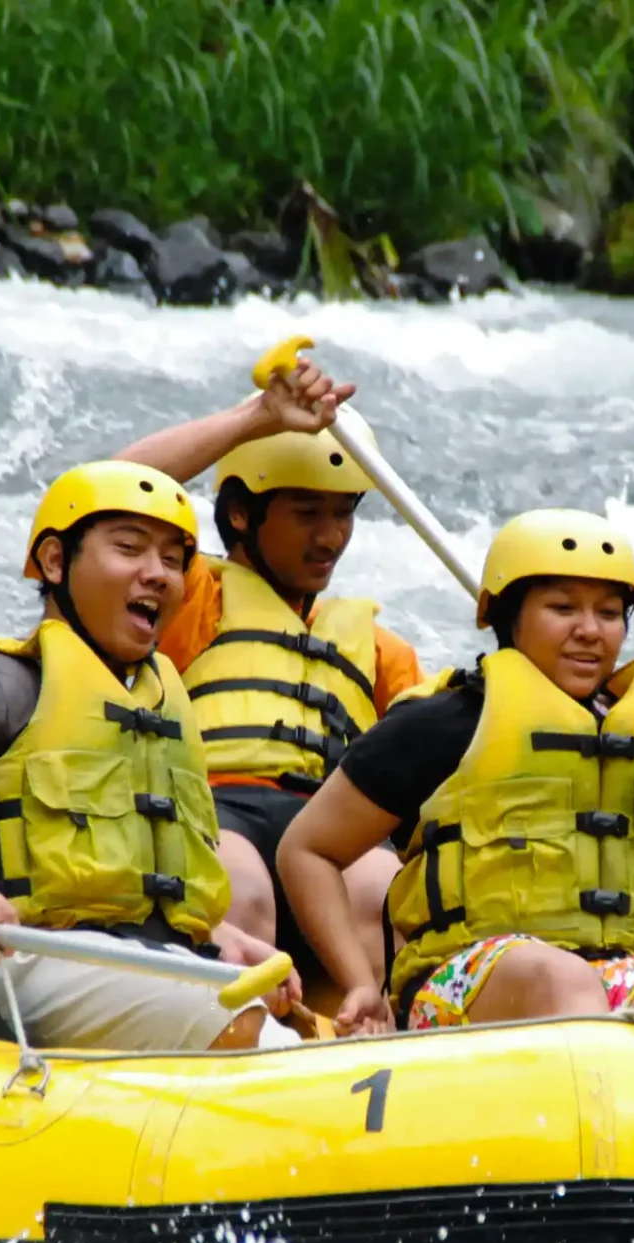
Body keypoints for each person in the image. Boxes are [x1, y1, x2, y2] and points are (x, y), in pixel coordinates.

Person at [0, 461, 297, 1051]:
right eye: (129, 549)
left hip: (138, 963)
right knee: (238, 1025)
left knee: (278, 1022)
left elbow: (126, 874)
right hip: (17, 963)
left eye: (174, 561)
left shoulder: (159, 707)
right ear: (55, 562)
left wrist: (218, 932)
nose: (157, 575)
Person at [278, 509, 634, 1036]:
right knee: (562, 981)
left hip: (625, 971)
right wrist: (360, 980)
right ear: (509, 618)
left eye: (610, 613)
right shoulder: (447, 722)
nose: (589, 631)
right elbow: (309, 848)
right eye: (562, 608)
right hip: (465, 977)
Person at [115, 354, 426, 986]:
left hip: (333, 830)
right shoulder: (186, 597)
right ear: (241, 514)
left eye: (344, 513)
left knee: (385, 894)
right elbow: (109, 488)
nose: (331, 537)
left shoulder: (381, 650)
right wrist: (257, 418)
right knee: (242, 887)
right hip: (213, 812)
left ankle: (374, 1032)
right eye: (308, 513)